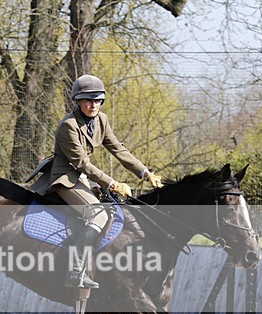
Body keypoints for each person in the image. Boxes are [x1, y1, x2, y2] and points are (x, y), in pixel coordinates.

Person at [31, 74, 163, 289]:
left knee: (114, 210)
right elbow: (81, 163)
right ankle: (75, 272)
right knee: (97, 214)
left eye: (97, 100)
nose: (93, 105)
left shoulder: (101, 119)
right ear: (77, 101)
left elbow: (118, 149)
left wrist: (145, 173)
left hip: (83, 177)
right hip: (66, 178)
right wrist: (112, 183)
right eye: (88, 100)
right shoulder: (68, 125)